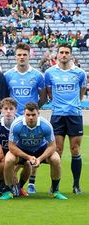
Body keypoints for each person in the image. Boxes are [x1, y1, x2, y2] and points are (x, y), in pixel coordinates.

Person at [0, 102, 67, 200]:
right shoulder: (17, 125)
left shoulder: (46, 125)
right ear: (24, 114)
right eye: (28, 115)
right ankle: (8, 191)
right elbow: (12, 147)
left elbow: (52, 146)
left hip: (40, 149)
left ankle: (55, 190)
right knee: (9, 159)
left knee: (56, 159)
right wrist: (28, 157)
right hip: (22, 149)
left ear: (38, 114)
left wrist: (39, 159)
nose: (31, 117)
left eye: (33, 115)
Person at [4, 42, 47, 193]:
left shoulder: (37, 75)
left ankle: (31, 183)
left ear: (29, 56)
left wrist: (33, 111)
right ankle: (12, 181)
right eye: (19, 55)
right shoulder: (8, 75)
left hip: (31, 119)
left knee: (34, 146)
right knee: (14, 150)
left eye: (24, 55)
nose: (22, 57)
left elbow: (43, 98)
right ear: (15, 57)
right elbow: (5, 97)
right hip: (14, 119)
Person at [44, 43, 87, 194]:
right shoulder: (50, 73)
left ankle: (76, 185)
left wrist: (73, 104)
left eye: (66, 52)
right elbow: (49, 92)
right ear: (57, 54)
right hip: (57, 115)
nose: (63, 55)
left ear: (71, 55)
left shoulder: (80, 73)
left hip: (74, 115)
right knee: (57, 150)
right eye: (61, 52)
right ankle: (54, 186)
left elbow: (81, 92)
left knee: (75, 149)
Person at [0, 97, 31, 197]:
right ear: (1, 110)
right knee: (3, 165)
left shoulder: (21, 125)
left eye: (11, 109)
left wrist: (14, 169)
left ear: (16, 110)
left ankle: (19, 186)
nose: (8, 112)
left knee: (28, 165)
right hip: (0, 157)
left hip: (16, 155)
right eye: (5, 109)